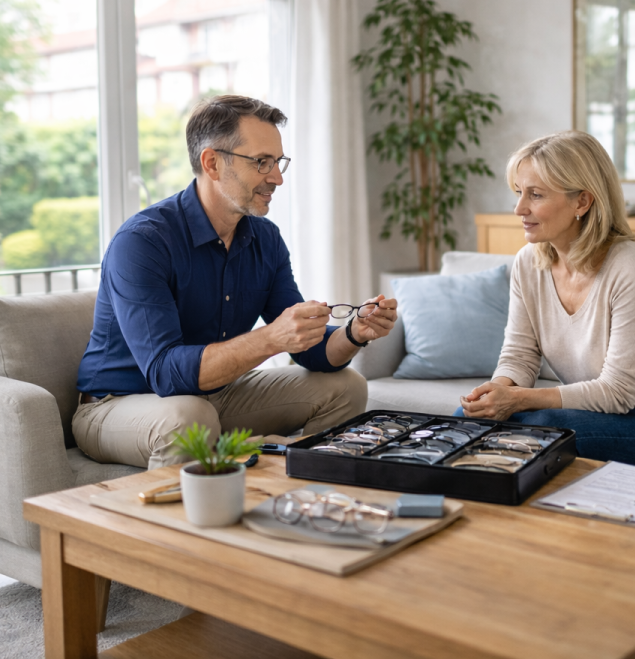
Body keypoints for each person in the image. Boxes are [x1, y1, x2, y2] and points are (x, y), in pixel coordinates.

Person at [74, 95, 397, 469]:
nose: (276, 177)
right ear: (212, 163)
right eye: (262, 162)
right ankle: (194, 513)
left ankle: (296, 496)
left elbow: (309, 352)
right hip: (117, 405)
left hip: (214, 397)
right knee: (189, 419)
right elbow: (165, 373)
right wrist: (272, 337)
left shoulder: (265, 239)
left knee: (347, 387)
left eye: (278, 163)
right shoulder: (143, 241)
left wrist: (354, 333)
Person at [457, 131, 635, 471]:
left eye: (535, 194)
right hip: (601, 413)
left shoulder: (632, 267)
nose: (519, 208)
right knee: (465, 419)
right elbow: (519, 356)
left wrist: (518, 400)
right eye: (519, 193)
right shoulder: (528, 262)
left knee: (541, 428)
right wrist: (497, 392)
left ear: (582, 201)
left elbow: (618, 393)